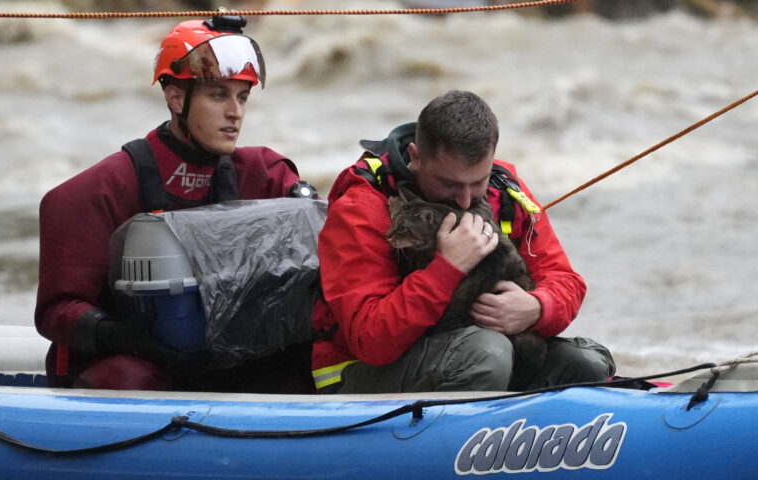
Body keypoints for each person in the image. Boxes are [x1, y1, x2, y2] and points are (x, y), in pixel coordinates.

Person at [35, 16, 317, 392]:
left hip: (226, 356)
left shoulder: (264, 175)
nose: (236, 112)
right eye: (219, 95)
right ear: (175, 97)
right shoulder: (99, 190)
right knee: (128, 379)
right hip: (136, 362)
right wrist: (122, 336)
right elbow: (57, 310)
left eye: (242, 96)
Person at [311, 90, 615, 393]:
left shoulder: (503, 189)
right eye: (449, 183)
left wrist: (536, 307)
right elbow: (371, 339)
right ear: (416, 157)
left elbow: (565, 280)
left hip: (476, 354)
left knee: (586, 363)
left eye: (478, 182)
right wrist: (447, 269)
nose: (466, 199)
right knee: (487, 354)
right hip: (357, 376)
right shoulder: (361, 208)